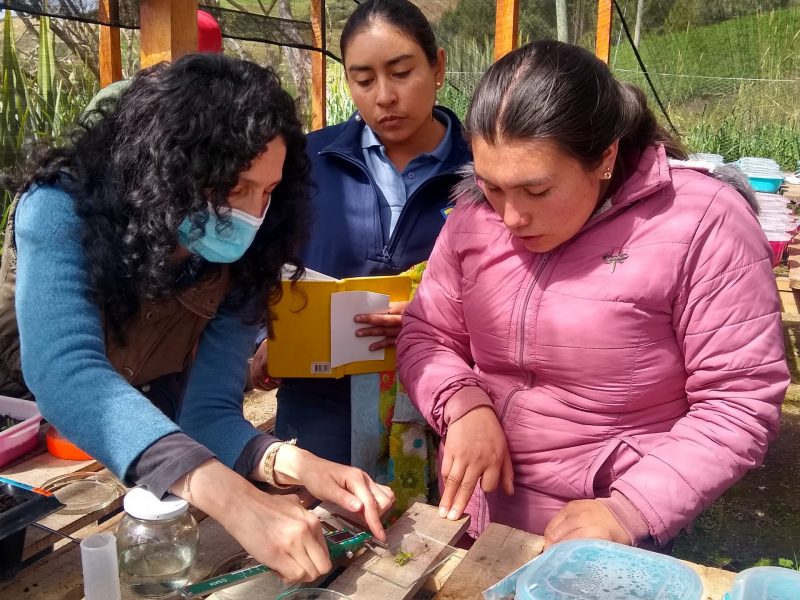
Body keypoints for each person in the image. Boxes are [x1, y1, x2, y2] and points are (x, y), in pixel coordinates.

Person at [0, 53, 393, 583]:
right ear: (171, 167)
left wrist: (292, 464)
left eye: (268, 192)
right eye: (235, 188)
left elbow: (206, 412)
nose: (253, 214)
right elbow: (65, 370)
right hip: (25, 439)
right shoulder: (59, 207)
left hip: (140, 435)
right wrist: (235, 499)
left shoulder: (244, 256)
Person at [396, 40, 788, 550]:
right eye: (492, 186)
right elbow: (428, 333)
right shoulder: (475, 218)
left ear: (605, 157)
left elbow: (738, 401)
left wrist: (631, 508)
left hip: (615, 525)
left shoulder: (703, 222)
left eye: (536, 191)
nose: (511, 218)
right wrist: (463, 403)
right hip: (481, 510)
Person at [250, 0, 472, 492]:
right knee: (321, 541)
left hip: (442, 407)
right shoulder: (307, 160)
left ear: (438, 66)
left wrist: (439, 317)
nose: (385, 97)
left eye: (401, 72)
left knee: (429, 539)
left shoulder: (485, 169)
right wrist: (263, 336)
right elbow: (257, 256)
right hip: (317, 407)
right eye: (364, 79)